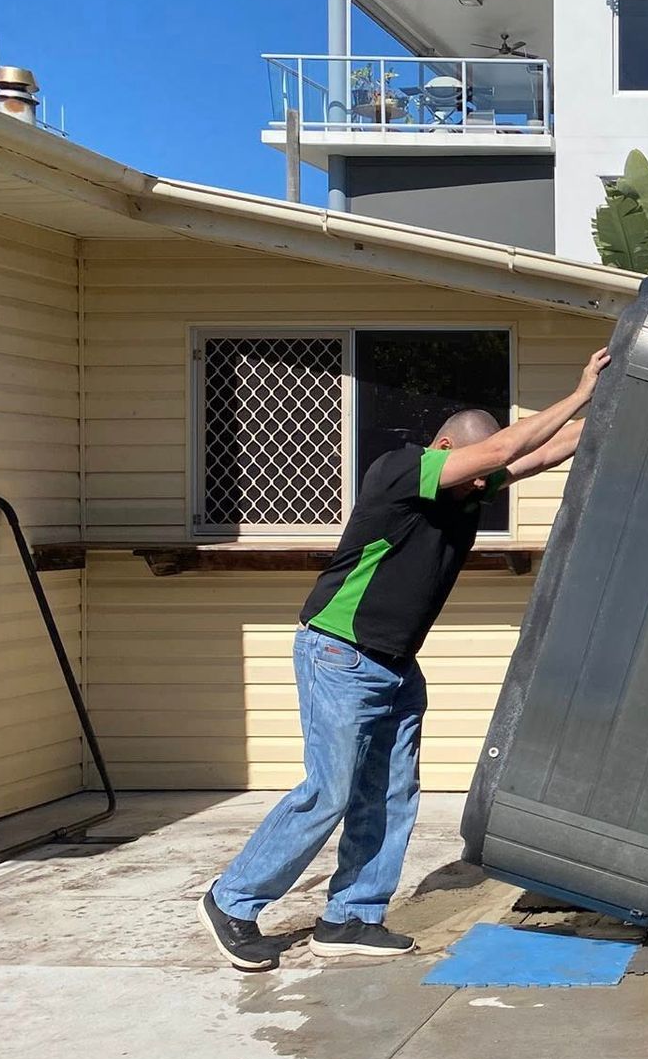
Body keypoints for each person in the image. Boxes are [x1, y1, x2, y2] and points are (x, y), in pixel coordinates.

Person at [199, 350, 612, 972]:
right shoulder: (398, 470)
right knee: (329, 791)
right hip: (339, 652)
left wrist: (619, 399)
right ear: (444, 448)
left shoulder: (464, 490)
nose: (483, 486)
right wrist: (578, 390)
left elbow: (546, 452)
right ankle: (233, 899)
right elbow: (499, 456)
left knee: (391, 794)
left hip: (394, 664)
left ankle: (352, 916)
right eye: (471, 470)